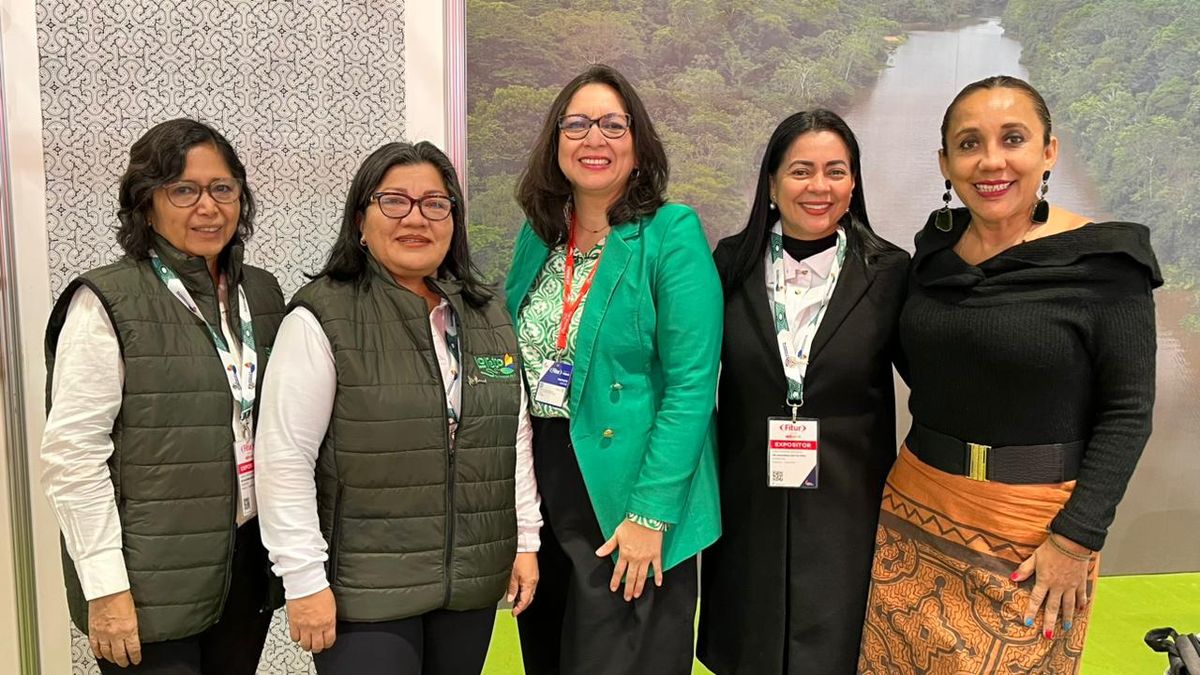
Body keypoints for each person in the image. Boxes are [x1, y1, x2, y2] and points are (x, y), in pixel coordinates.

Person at [857, 75, 1161, 673]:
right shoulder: (934, 253)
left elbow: (1127, 413)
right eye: (968, 144)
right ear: (945, 163)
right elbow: (926, 366)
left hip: (1035, 535)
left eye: (1013, 138)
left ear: (1048, 150)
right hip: (916, 511)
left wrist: (1076, 540)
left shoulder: (1106, 265)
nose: (991, 161)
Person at [253, 140, 541, 675]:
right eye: (394, 201)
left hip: (470, 583)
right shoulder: (323, 318)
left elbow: (513, 436)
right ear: (361, 219)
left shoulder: (486, 314)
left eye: (435, 203)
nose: (417, 217)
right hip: (366, 595)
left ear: (453, 219)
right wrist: (303, 579)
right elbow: (285, 459)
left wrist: (524, 540)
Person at [40, 118, 286, 674]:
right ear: (146, 204)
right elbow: (72, 455)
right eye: (183, 190)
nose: (208, 207)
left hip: (244, 567)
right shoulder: (107, 300)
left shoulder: (264, 294)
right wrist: (104, 587)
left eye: (223, 189)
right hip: (146, 580)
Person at [506, 63, 723, 675]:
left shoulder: (669, 232)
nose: (592, 139)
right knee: (549, 654)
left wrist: (650, 513)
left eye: (611, 124)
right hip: (546, 481)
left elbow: (690, 386)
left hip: (631, 489)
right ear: (555, 142)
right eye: (576, 124)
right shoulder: (538, 235)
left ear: (637, 142)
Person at [696, 110, 909, 674]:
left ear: (855, 181)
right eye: (800, 171)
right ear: (770, 182)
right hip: (747, 507)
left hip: (849, 511)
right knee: (749, 649)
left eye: (835, 171)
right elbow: (687, 375)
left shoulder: (888, 272)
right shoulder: (727, 264)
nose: (819, 187)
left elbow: (937, 379)